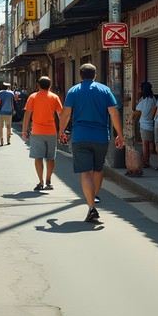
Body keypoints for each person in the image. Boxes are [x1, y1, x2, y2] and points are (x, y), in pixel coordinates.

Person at [58, 63, 125, 222]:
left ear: (80, 75)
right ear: (95, 75)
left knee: (86, 172)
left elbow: (66, 113)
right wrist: (120, 134)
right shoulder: (105, 90)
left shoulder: (73, 91)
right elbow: (114, 113)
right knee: (98, 170)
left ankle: (91, 206)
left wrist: (61, 131)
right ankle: (93, 197)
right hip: (101, 137)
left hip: (80, 137)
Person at [22, 76, 63, 191]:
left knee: (38, 157)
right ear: (50, 85)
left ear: (38, 85)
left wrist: (24, 130)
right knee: (50, 157)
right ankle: (48, 180)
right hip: (51, 131)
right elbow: (61, 114)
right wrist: (62, 130)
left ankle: (41, 181)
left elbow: (27, 115)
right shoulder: (54, 97)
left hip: (37, 131)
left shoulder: (33, 97)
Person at [134, 81, 157, 168]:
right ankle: (147, 160)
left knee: (144, 143)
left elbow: (137, 109)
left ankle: (145, 161)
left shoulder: (143, 100)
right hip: (151, 123)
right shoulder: (153, 99)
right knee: (149, 143)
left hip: (143, 123)